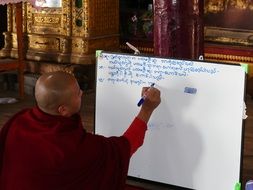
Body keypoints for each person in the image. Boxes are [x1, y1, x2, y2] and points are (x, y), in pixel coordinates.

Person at [0, 71, 161, 190]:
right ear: (63, 110)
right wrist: (146, 110)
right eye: (78, 93)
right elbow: (124, 147)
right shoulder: (74, 146)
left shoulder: (18, 120)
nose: (82, 93)